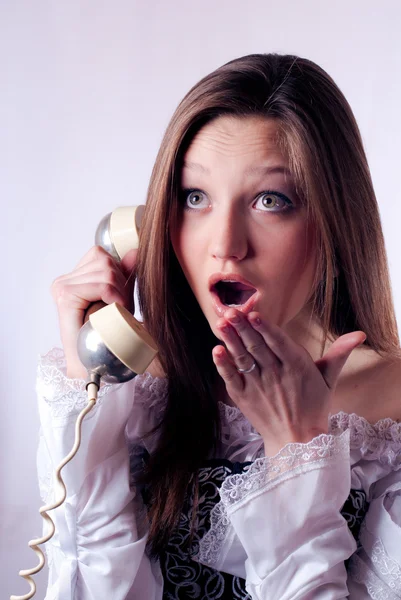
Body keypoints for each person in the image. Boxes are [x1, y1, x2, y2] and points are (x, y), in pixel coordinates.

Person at [37, 53, 401, 599]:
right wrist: (87, 384)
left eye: (270, 200)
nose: (226, 245)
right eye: (195, 198)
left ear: (334, 220)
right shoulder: (140, 386)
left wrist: (296, 450)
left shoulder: (391, 416)